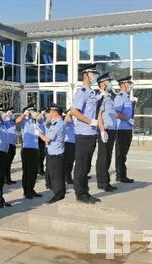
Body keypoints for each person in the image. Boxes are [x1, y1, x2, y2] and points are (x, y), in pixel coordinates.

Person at [68, 63, 102, 204]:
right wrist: (89, 121)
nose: (95, 76)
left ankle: (85, 191)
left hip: (91, 133)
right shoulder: (82, 92)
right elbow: (74, 111)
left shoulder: (91, 93)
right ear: (86, 75)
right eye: (93, 74)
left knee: (86, 165)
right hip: (83, 133)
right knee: (81, 165)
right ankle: (80, 194)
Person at [33, 103, 67, 204]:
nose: (49, 114)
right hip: (54, 153)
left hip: (56, 155)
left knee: (56, 176)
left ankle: (58, 195)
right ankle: (59, 193)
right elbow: (47, 129)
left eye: (50, 112)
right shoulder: (56, 123)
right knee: (54, 175)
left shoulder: (58, 124)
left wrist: (38, 133)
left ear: (55, 112)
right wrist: (47, 124)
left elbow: (47, 139)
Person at [96, 73, 118, 192]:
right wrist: (102, 130)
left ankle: (106, 181)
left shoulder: (108, 97)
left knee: (108, 156)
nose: (110, 83)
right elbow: (98, 114)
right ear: (103, 84)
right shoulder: (101, 97)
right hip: (105, 130)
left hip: (112, 129)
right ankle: (103, 183)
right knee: (103, 157)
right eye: (108, 81)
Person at [16, 104, 43, 199]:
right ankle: (26, 191)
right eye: (34, 111)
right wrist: (25, 114)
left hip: (35, 148)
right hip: (27, 149)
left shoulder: (36, 122)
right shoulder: (25, 121)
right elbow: (17, 121)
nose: (36, 113)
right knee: (27, 171)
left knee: (34, 171)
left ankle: (31, 189)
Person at [114, 76, 136, 184]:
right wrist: (128, 119)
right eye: (129, 83)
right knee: (120, 154)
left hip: (127, 129)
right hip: (121, 130)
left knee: (124, 154)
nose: (130, 85)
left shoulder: (126, 97)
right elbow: (116, 113)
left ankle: (123, 175)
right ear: (123, 84)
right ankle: (120, 176)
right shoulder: (120, 97)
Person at [4, 110, 17, 184]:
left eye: (12, 113)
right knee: (7, 162)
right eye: (10, 113)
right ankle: (6, 178)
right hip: (7, 144)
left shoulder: (12, 122)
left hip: (13, 144)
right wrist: (6, 116)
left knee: (9, 163)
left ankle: (8, 178)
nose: (11, 114)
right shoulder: (5, 121)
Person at [63, 110, 76, 185]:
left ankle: (68, 177)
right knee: (67, 162)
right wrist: (68, 113)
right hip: (67, 143)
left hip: (73, 144)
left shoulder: (72, 123)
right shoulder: (66, 121)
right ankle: (67, 177)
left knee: (71, 162)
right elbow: (66, 120)